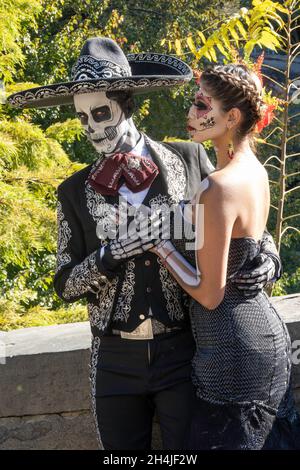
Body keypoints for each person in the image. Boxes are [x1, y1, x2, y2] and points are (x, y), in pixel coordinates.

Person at [7, 38, 282, 450]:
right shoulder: (73, 192)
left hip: (184, 352)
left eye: (101, 113)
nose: (92, 128)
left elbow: (241, 216)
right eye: (82, 118)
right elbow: (64, 283)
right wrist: (112, 252)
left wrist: (271, 255)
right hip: (114, 359)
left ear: (127, 104)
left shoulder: (189, 159)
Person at [150, 63, 300, 449]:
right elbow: (253, 238)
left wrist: (160, 246)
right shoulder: (255, 171)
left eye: (202, 105)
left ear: (231, 117)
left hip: (233, 353)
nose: (191, 115)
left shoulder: (218, 186)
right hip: (263, 339)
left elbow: (209, 293)